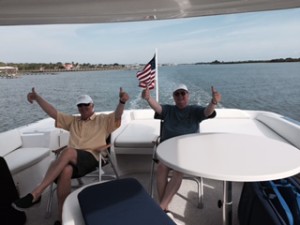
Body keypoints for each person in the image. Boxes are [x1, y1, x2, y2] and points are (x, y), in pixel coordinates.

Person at [12, 87, 129, 225]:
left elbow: (117, 115)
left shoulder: (103, 119)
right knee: (65, 170)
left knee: (67, 151)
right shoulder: (73, 121)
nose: (83, 107)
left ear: (92, 105)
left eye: (86, 104)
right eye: (80, 105)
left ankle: (37, 193)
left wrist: (121, 101)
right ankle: (62, 219)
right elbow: (53, 112)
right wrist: (37, 98)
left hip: (93, 156)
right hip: (73, 160)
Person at [141, 84, 221, 213]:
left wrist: (213, 102)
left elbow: (207, 112)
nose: (180, 96)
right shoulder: (168, 110)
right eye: (177, 94)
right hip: (167, 150)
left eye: (183, 93)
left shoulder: (194, 110)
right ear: (173, 97)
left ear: (188, 96)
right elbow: (157, 107)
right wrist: (148, 98)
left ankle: (160, 208)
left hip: (187, 152)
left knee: (178, 171)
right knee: (161, 168)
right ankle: (164, 206)